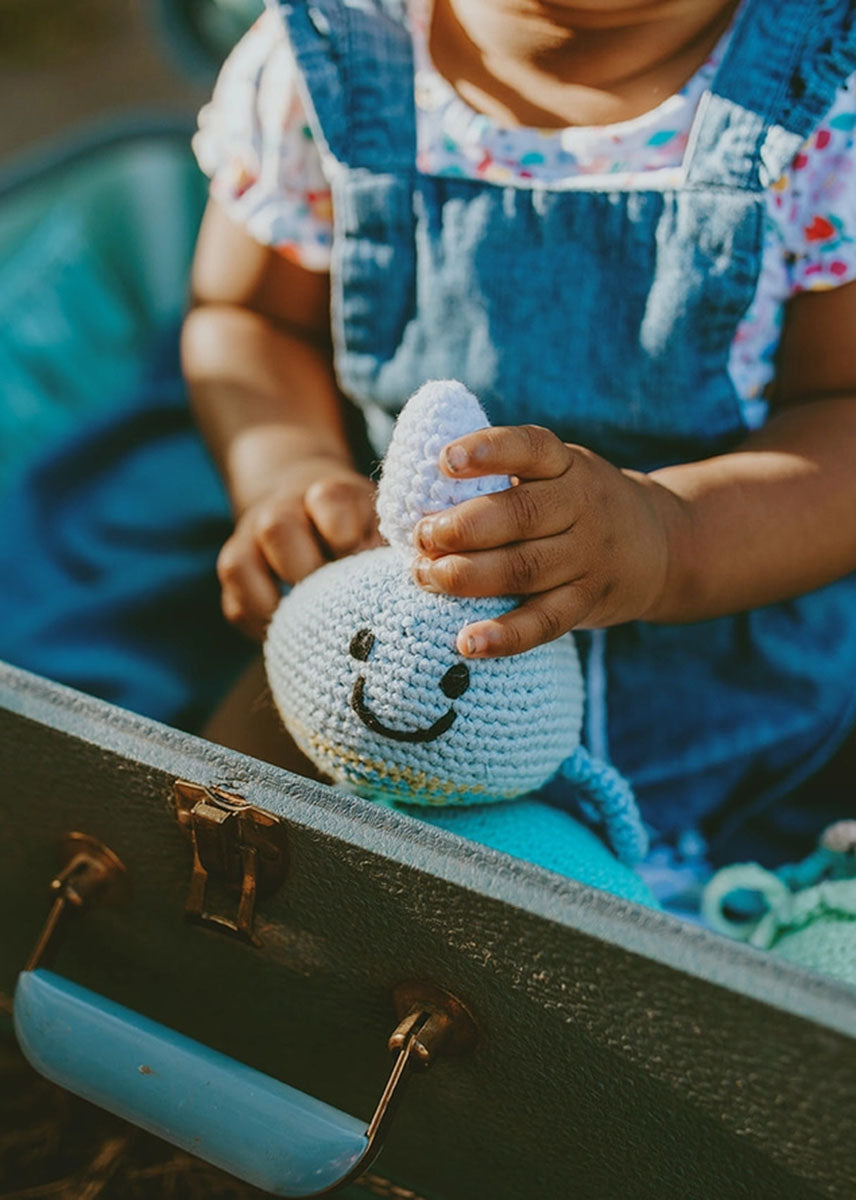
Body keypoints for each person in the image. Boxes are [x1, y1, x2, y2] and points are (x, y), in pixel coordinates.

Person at [183, 0, 856, 907]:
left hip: (738, 722)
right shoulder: (337, 57)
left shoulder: (825, 105)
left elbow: (842, 409)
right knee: (209, 828)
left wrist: (671, 534)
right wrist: (292, 475)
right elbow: (249, 315)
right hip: (400, 664)